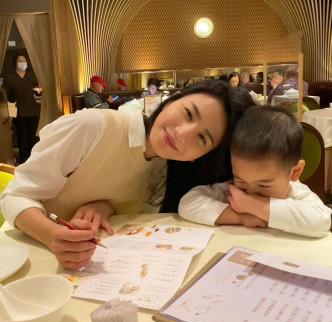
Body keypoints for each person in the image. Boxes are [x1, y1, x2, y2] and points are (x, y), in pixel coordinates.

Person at [0, 80, 255, 269]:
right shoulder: (95, 127)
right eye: (188, 113)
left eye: (201, 137)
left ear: (198, 157)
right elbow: (14, 196)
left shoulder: (162, 169)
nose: (182, 133)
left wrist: (105, 207)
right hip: (25, 260)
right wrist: (52, 235)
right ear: (171, 100)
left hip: (80, 272)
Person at [179, 105, 332, 238]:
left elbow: (322, 221)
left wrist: (253, 206)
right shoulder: (233, 190)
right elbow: (188, 203)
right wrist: (241, 217)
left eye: (263, 186)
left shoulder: (294, 191)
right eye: (241, 181)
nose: (249, 192)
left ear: (294, 172)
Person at [3, 53, 42, 164]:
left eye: (24, 60)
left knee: (32, 136)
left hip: (32, 111)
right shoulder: (9, 77)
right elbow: (6, 94)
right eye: (20, 60)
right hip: (18, 111)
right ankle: (24, 158)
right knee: (22, 136)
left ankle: (33, 158)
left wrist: (39, 91)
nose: (23, 62)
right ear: (15, 62)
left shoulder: (31, 76)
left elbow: (37, 92)